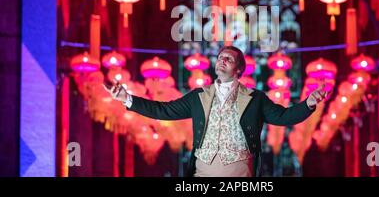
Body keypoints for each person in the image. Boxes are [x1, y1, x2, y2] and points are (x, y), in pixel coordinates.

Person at [103, 46, 327, 177]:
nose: (222, 61)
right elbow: (164, 110)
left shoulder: (255, 98)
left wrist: (309, 103)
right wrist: (127, 99)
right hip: (203, 173)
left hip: (239, 174)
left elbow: (283, 117)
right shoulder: (199, 96)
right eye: (220, 58)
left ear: (239, 69)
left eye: (228, 59)